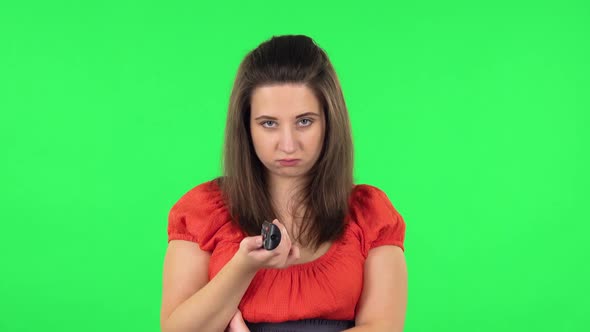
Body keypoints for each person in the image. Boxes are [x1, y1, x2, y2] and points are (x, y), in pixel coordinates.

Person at [160, 34, 407, 332]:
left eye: (304, 121)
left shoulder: (370, 214)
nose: (288, 145)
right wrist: (243, 267)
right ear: (246, 126)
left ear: (329, 121)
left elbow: (383, 327)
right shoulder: (201, 211)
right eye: (268, 123)